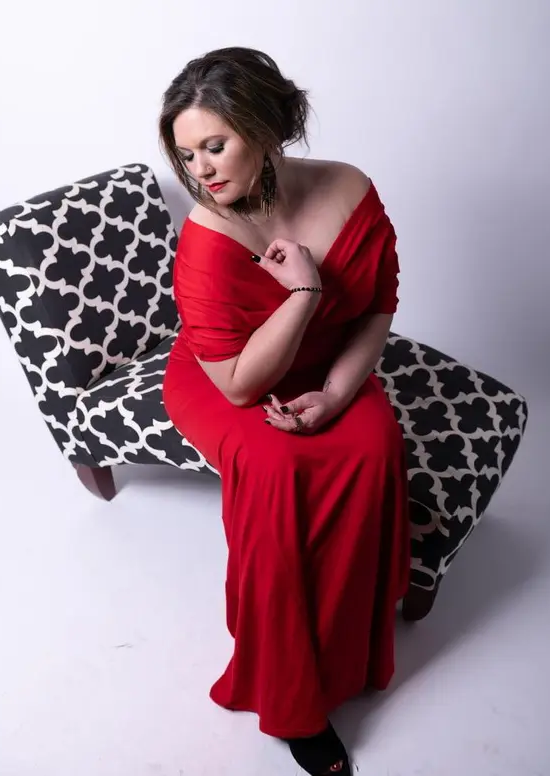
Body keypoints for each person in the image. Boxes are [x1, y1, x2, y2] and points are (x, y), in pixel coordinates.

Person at [159, 47, 410, 776]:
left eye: (215, 145)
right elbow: (239, 385)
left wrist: (336, 393)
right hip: (224, 375)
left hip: (327, 362)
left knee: (373, 446)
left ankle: (350, 645)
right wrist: (304, 293)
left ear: (265, 128)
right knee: (275, 469)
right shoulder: (207, 240)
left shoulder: (348, 187)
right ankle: (294, 699)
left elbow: (379, 307)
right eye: (187, 154)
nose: (201, 170)